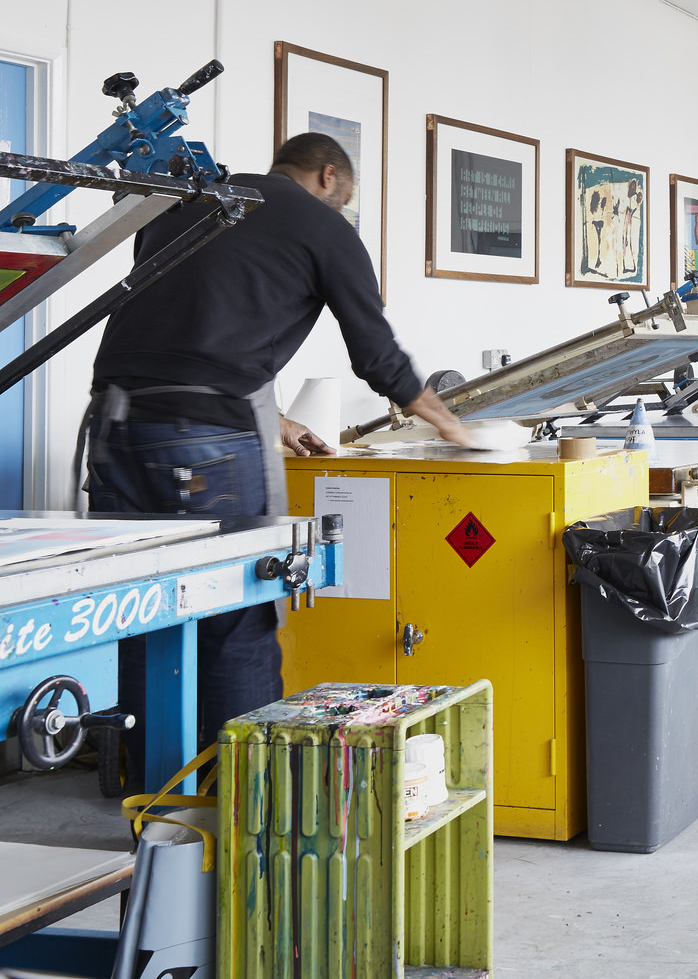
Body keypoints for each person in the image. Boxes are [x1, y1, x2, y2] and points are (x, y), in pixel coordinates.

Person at [88, 131, 473, 758]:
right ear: (327, 176)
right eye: (344, 199)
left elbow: (190, 328)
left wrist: (279, 422)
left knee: (146, 617)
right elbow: (375, 355)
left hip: (114, 431)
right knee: (237, 619)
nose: (343, 212)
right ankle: (247, 817)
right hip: (204, 445)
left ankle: (153, 809)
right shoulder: (321, 224)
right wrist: (449, 424)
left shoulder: (195, 202)